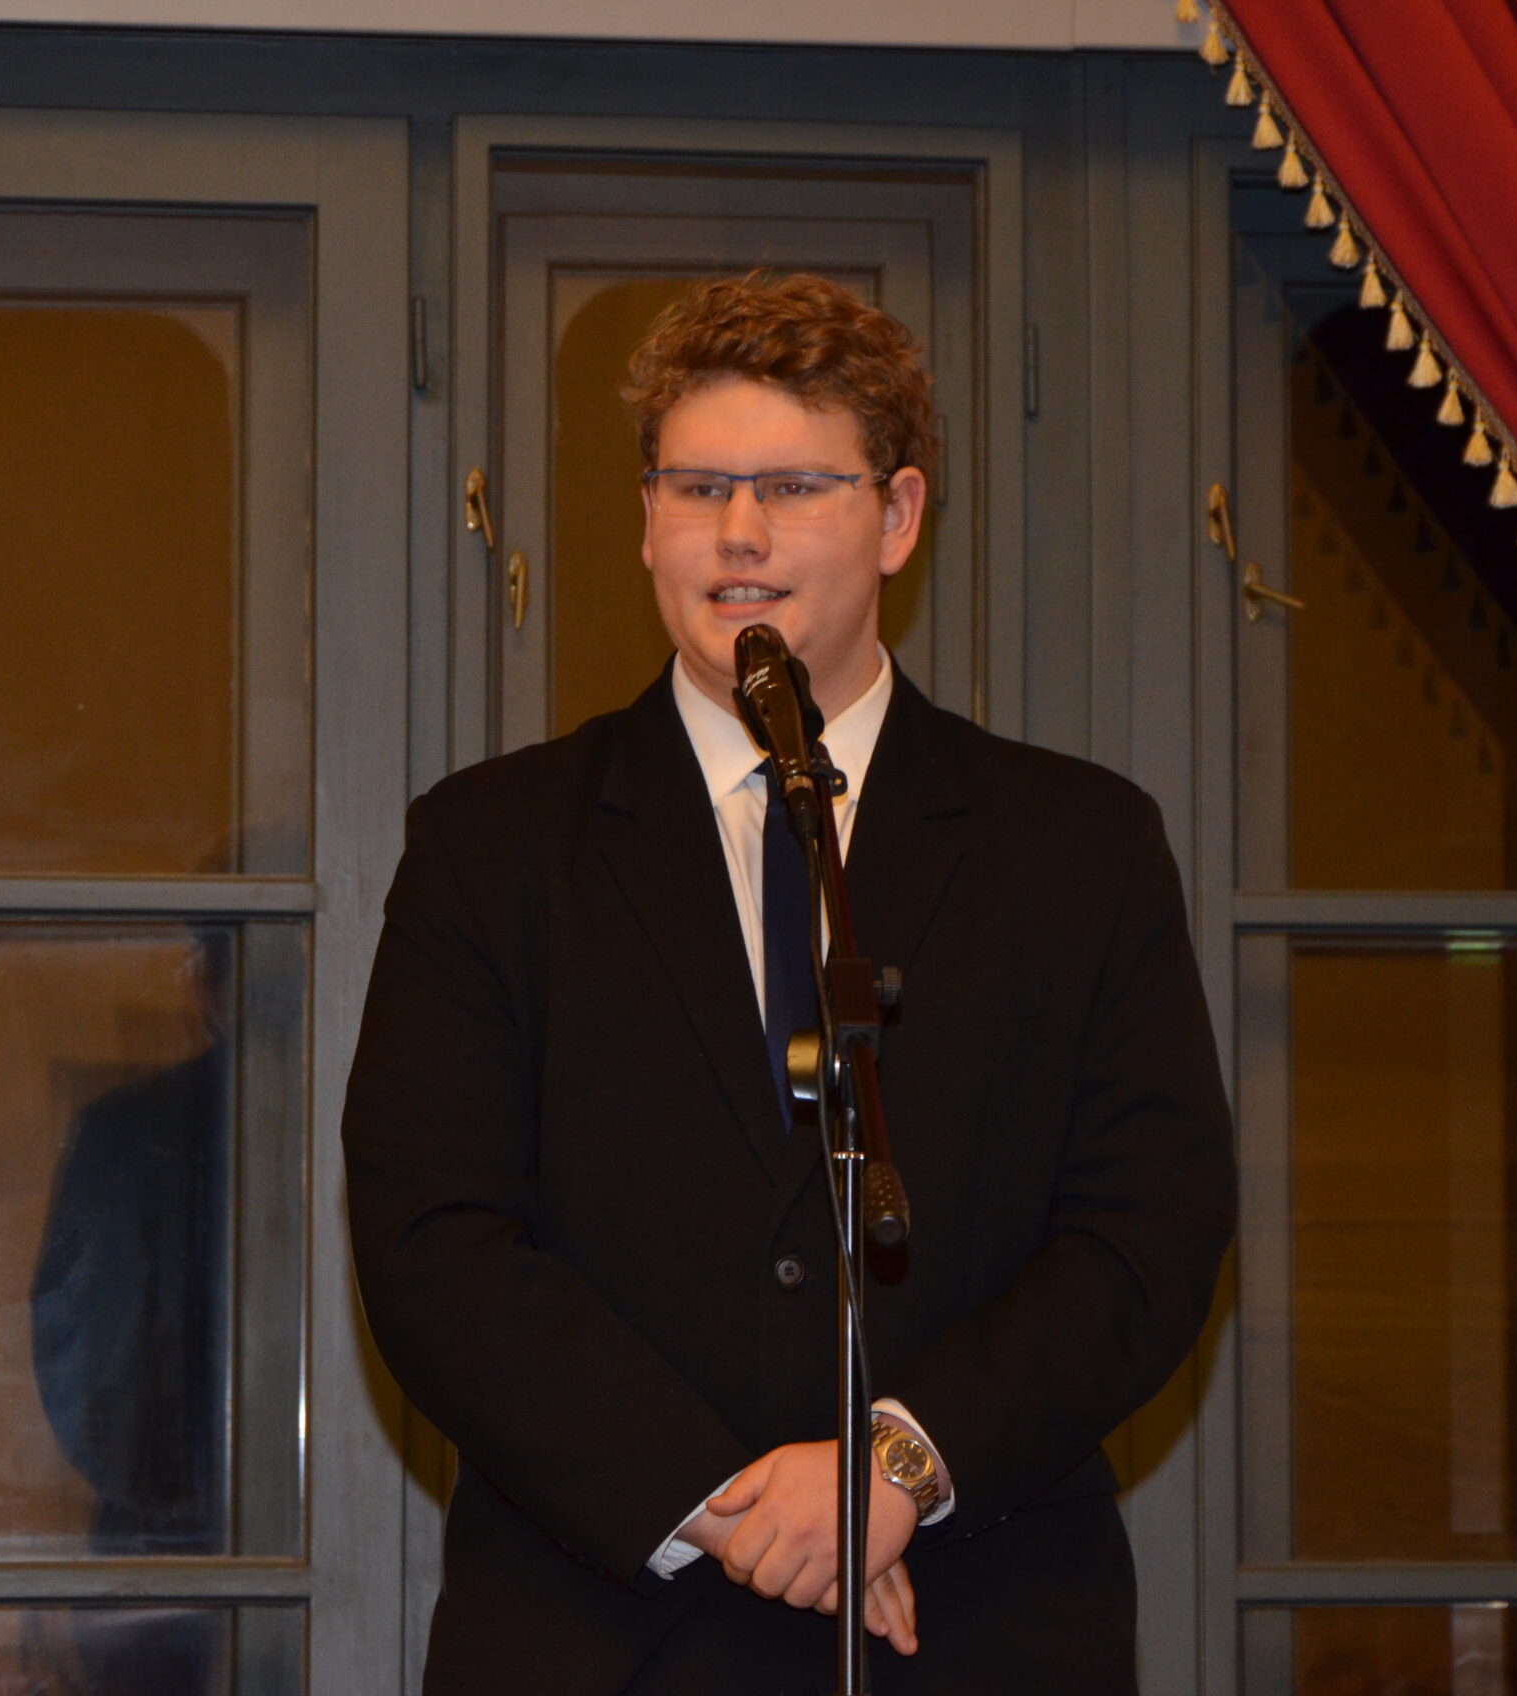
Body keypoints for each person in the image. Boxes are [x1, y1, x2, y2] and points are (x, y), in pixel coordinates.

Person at [342, 273, 1234, 1695]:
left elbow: (1150, 1227)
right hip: (598, 1640)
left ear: (898, 516)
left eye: (795, 487)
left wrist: (895, 1467)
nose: (739, 531)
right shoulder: (492, 845)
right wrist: (724, 1506)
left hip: (978, 1632)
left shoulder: (1078, 846)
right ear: (647, 521)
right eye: (698, 487)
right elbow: (431, 1237)